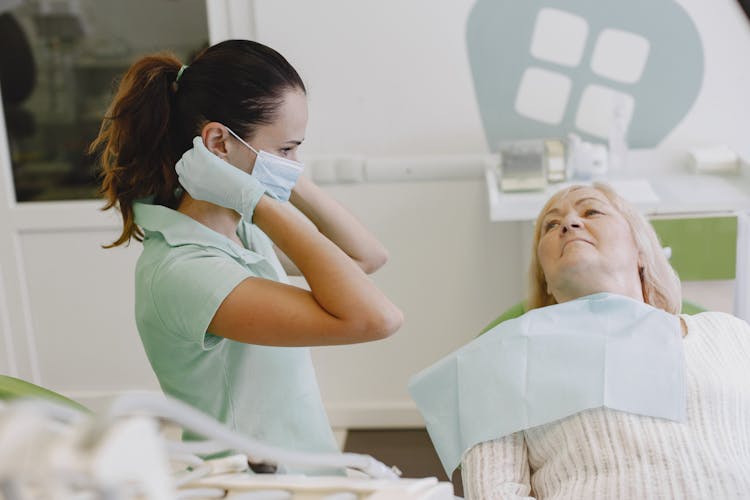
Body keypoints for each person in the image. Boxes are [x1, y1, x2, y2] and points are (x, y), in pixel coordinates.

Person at [89, 39, 403, 467]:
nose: (294, 162)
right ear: (218, 142)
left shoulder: (240, 233)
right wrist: (257, 198)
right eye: (286, 149)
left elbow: (366, 257)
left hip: (306, 475)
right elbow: (375, 318)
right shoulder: (186, 270)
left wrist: (280, 177)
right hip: (256, 485)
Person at [456, 183, 750, 498]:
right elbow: (495, 493)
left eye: (591, 211)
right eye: (551, 226)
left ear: (640, 251)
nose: (568, 224)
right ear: (546, 282)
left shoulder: (729, 334)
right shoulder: (501, 361)